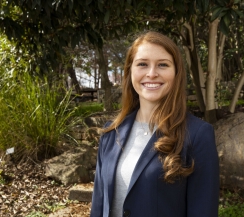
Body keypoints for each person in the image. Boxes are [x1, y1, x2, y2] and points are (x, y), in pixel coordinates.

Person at [90, 31, 219, 217]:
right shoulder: (111, 133)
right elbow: (98, 207)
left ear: (176, 72)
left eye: (162, 65)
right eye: (142, 64)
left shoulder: (198, 135)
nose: (151, 73)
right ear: (130, 71)